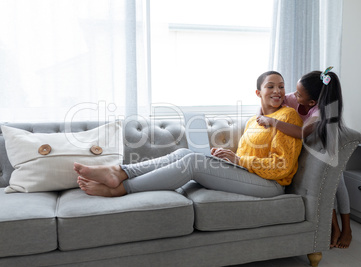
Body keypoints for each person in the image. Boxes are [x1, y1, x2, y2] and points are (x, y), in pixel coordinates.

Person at [74, 71, 303, 204]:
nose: (278, 91)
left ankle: (121, 188)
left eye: (281, 87)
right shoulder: (254, 120)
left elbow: (281, 168)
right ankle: (119, 172)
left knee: (193, 163)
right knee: (185, 152)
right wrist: (226, 158)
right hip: (251, 175)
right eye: (270, 86)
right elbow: (245, 157)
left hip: (271, 185)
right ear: (258, 92)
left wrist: (238, 160)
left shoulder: (288, 117)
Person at [256, 67, 352, 249]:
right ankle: (333, 227)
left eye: (299, 95)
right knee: (324, 186)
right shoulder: (294, 97)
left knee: (337, 182)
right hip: (308, 146)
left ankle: (346, 228)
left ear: (312, 102)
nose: (292, 95)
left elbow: (301, 132)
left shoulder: (320, 112)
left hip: (325, 142)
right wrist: (261, 116)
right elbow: (267, 100)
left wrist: (273, 122)